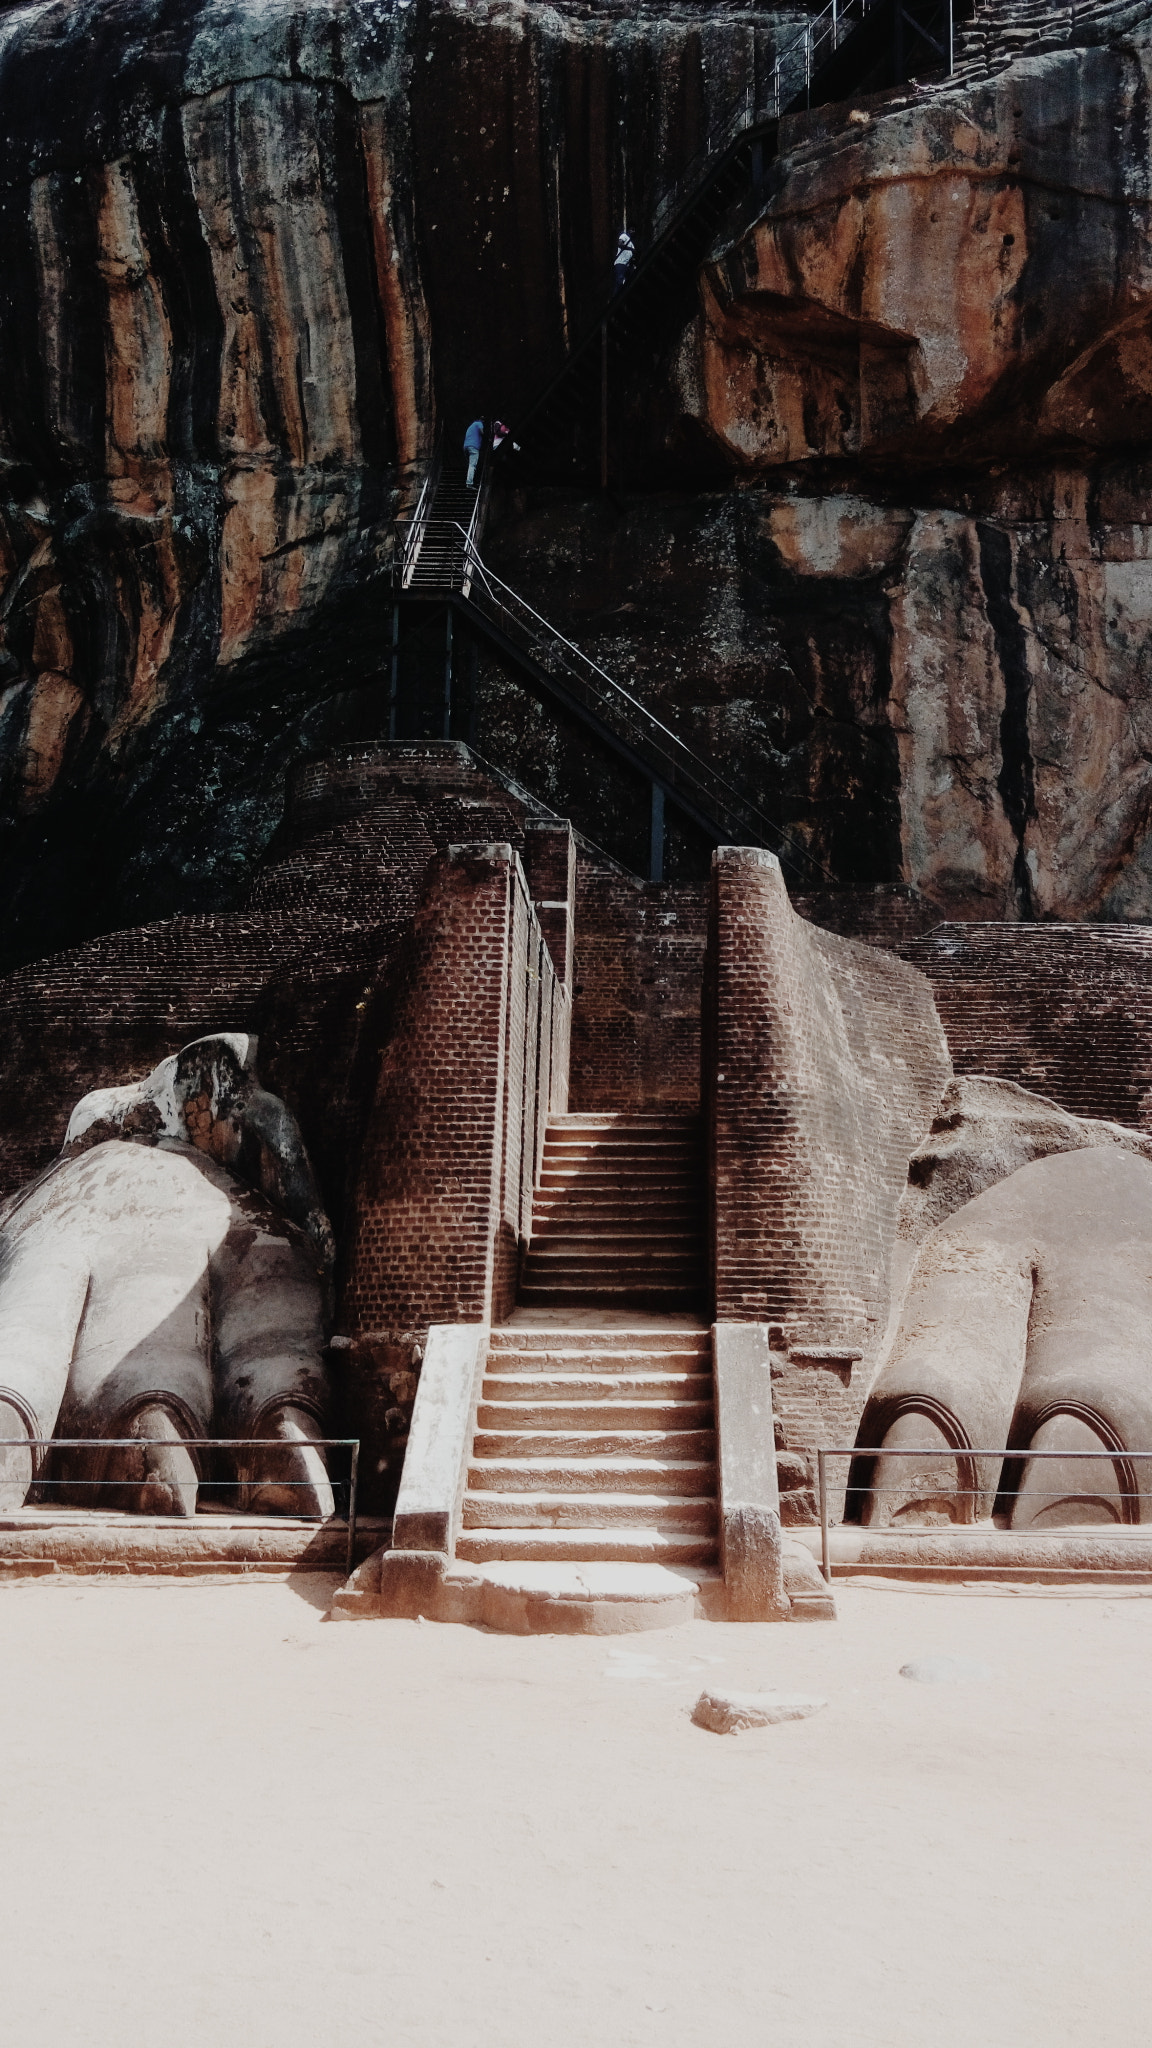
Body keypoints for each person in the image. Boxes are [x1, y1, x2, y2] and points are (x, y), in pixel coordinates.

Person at [463, 417, 485, 487]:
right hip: (473, 447)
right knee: (472, 465)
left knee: (470, 465)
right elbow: (481, 431)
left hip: (466, 447)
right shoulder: (479, 423)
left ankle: (469, 480)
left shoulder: (471, 426)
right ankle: (469, 483)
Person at [612, 228, 634, 296]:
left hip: (626, 264)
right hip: (620, 262)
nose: (633, 231)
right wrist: (630, 249)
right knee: (619, 281)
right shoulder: (624, 235)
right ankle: (614, 299)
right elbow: (620, 244)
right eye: (632, 229)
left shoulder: (631, 243)